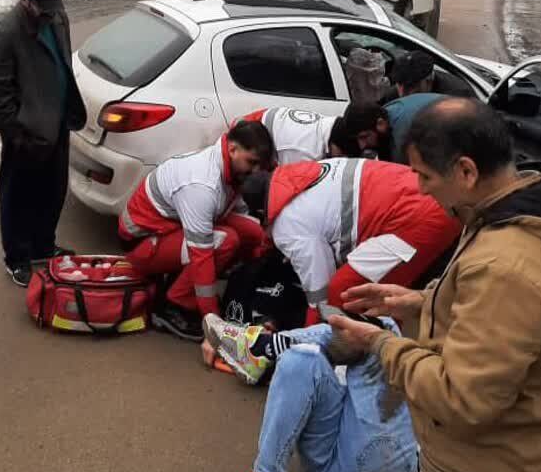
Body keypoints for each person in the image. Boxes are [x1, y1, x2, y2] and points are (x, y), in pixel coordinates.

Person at [332, 98, 541, 472]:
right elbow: (513, 322)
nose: (419, 188)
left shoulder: (505, 265)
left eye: (425, 176)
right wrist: (421, 302)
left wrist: (381, 344)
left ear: (466, 171)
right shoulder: (521, 212)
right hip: (505, 468)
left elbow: (462, 398)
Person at [199, 316, 419, 472]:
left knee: (379, 329)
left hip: (373, 467)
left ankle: (261, 348)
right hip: (350, 469)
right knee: (301, 358)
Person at [240, 157, 461, 326]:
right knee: (384, 294)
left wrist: (306, 337)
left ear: (261, 211)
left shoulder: (287, 225)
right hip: (430, 193)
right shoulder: (306, 172)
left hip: (418, 217)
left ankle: (352, 368)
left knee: (345, 292)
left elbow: (320, 290)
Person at [119, 121, 274, 342]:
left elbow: (238, 212)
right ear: (232, 149)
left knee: (255, 233)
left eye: (261, 165)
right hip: (142, 244)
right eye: (252, 162)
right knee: (225, 241)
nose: (256, 171)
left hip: (170, 228)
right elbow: (201, 256)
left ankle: (239, 288)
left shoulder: (230, 167)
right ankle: (175, 303)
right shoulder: (203, 185)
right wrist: (213, 318)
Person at [0, 0, 86, 287]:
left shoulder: (56, 16)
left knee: (52, 190)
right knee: (18, 197)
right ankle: (17, 257)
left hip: (57, 123)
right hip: (25, 131)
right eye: (42, 7)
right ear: (25, 0)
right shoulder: (7, 32)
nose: (49, 12)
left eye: (53, 6)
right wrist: (13, 133)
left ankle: (43, 245)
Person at [340, 92, 443, 163]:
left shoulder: (403, 136)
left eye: (364, 137)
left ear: (380, 124)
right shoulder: (389, 112)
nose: (362, 145)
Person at [238, 107, 346, 165]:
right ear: (334, 144)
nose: (342, 158)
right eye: (342, 155)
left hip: (261, 121)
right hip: (254, 136)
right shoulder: (304, 154)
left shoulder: (329, 124)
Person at [384, 49, 474, 101]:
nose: (402, 94)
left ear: (428, 80)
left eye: (410, 86)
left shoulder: (458, 96)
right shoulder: (392, 95)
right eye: (399, 84)